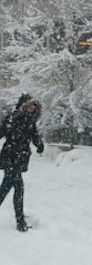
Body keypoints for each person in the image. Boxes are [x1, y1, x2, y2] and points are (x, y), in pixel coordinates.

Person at [0, 97, 44, 232]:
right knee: (18, 187)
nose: (32, 109)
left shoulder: (30, 121)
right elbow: (2, 131)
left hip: (20, 158)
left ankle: (20, 221)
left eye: (35, 107)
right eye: (30, 106)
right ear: (24, 106)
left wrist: (39, 145)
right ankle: (20, 222)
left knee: (6, 187)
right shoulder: (13, 118)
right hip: (10, 156)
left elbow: (34, 135)